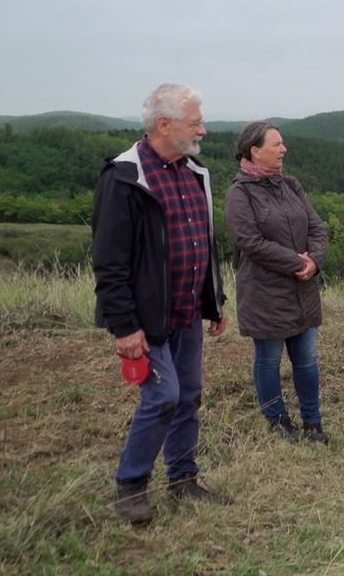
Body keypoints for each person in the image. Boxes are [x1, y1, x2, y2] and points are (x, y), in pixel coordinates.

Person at [91, 82, 230, 525]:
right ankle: (130, 486)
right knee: (163, 396)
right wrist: (124, 327)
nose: (203, 130)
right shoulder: (125, 178)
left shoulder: (194, 173)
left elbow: (203, 245)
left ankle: (183, 479)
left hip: (188, 313)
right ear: (164, 125)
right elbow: (109, 263)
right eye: (195, 123)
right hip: (147, 320)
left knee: (188, 395)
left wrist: (215, 299)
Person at [224, 121, 331, 445]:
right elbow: (249, 241)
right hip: (265, 293)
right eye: (276, 144)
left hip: (303, 289)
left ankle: (312, 421)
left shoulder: (291, 185)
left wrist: (315, 260)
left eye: (283, 144)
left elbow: (317, 227)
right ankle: (277, 418)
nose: (283, 149)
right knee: (269, 359)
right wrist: (298, 262)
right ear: (255, 151)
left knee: (307, 361)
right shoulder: (239, 193)